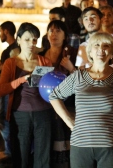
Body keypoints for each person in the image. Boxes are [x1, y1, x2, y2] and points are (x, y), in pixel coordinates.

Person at [49, 32, 113, 168]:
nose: (101, 49)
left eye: (106, 45)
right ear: (90, 52)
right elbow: (54, 96)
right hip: (80, 146)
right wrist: (70, 122)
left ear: (112, 53)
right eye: (96, 45)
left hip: (111, 145)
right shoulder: (78, 76)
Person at [0, 23, 53, 168]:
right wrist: (22, 80)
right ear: (19, 39)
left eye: (34, 40)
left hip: (43, 113)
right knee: (20, 156)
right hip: (20, 115)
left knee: (43, 156)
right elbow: (1, 90)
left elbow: (52, 87)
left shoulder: (44, 61)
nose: (31, 44)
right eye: (27, 39)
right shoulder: (11, 63)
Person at [39, 20, 78, 167]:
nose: (54, 34)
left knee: (67, 143)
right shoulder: (41, 56)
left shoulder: (72, 54)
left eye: (58, 31)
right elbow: (36, 82)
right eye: (51, 31)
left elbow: (81, 78)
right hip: (45, 107)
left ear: (65, 36)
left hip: (68, 106)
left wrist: (71, 67)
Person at [0, 21, 19, 159]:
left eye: (0, 31)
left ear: (6, 31)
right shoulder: (7, 51)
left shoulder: (13, 50)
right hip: (4, 89)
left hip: (8, 89)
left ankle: (11, 150)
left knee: (3, 119)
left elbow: (2, 69)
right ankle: (10, 149)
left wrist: (1, 67)